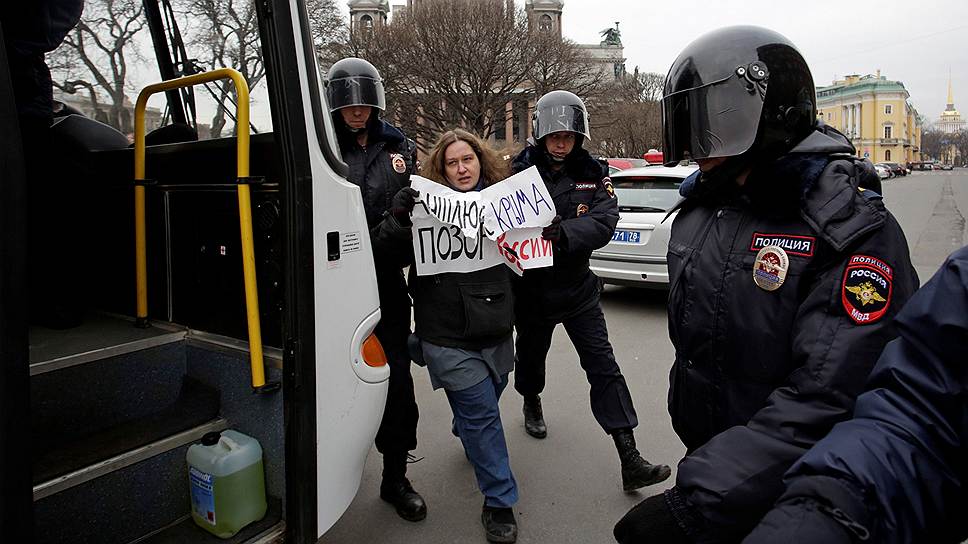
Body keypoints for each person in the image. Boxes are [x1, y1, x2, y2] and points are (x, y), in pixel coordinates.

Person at [613, 26, 919, 543]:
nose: (696, 141)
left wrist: (698, 502)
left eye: (711, 120)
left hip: (802, 494)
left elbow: (830, 395)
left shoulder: (846, 229)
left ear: (764, 113)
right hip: (717, 461)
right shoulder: (704, 206)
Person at [743, 245, 968, 544]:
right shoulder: (700, 211)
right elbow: (922, 418)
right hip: (727, 471)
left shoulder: (858, 232)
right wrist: (834, 508)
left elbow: (825, 387)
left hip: (765, 469)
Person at [510, 90, 671, 492]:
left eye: (567, 135)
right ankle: (531, 399)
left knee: (603, 366)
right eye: (553, 136)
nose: (560, 142)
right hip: (532, 290)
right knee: (531, 357)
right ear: (541, 136)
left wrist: (565, 232)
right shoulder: (519, 173)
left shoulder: (594, 173)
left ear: (578, 136)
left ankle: (628, 453)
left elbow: (605, 220)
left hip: (578, 289)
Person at [402, 129, 521, 543]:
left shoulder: (505, 206)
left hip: (495, 330)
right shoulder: (423, 210)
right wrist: (397, 219)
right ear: (441, 168)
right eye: (451, 163)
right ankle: (500, 502)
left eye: (466, 159)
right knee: (484, 417)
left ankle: (465, 425)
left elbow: (529, 257)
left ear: (479, 160)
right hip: (447, 335)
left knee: (490, 394)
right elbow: (386, 249)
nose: (461, 168)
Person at [325, 57, 425, 522]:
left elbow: (413, 226)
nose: (358, 112)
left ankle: (395, 476)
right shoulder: (321, 144)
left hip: (386, 282)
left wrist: (402, 219)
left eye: (365, 103)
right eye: (349, 104)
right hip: (331, 280)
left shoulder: (398, 146)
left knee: (397, 380)